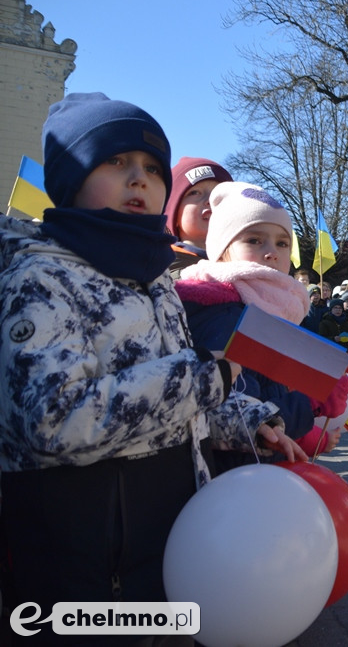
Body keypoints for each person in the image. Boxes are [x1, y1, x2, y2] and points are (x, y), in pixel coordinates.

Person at [0, 93, 303, 639]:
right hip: (81, 553)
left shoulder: (157, 279)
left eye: (152, 169)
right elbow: (52, 420)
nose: (139, 179)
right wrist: (209, 377)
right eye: (115, 162)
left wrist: (245, 416)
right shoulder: (40, 278)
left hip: (164, 535)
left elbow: (183, 390)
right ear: (70, 177)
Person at [175, 181, 348, 472]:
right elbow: (245, 417)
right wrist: (309, 400)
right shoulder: (227, 316)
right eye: (254, 240)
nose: (272, 252)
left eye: (282, 243)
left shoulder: (263, 308)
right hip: (236, 481)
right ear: (222, 249)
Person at [165, 156, 233, 277]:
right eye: (195, 193)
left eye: (217, 193)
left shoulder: (246, 261)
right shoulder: (162, 267)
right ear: (174, 213)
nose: (210, 200)